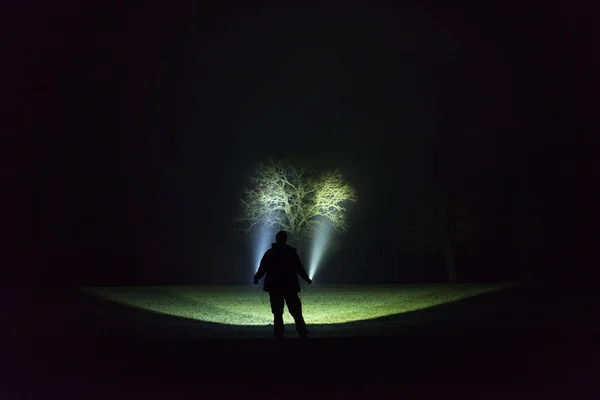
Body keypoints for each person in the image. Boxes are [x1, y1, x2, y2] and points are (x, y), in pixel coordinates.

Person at [253, 230, 312, 339]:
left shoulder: (270, 253)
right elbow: (299, 267)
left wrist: (257, 277)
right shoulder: (291, 252)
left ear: (277, 239)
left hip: (275, 287)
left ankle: (279, 333)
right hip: (290, 286)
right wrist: (306, 278)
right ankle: (302, 332)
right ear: (285, 239)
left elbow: (263, 268)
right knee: (295, 311)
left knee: (277, 312)